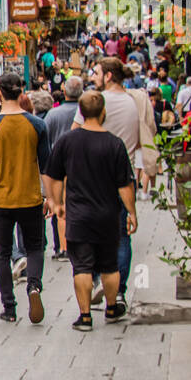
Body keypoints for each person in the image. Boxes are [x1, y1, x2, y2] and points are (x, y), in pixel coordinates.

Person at [44, 91, 138, 331]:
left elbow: (52, 175)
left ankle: (85, 316)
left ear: (82, 113)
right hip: (108, 213)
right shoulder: (114, 143)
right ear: (103, 111)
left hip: (79, 214)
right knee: (109, 265)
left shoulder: (67, 141)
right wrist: (131, 212)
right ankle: (111, 307)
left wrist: (55, 202)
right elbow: (125, 185)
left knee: (82, 266)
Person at [76, 57, 153, 314]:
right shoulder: (134, 102)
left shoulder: (95, 101)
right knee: (121, 238)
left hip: (92, 179)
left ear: (108, 76)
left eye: (97, 72)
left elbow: (75, 133)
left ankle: (98, 280)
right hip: (123, 176)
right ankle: (118, 293)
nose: (94, 75)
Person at [0, 73, 52, 324]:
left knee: (2, 253)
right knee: (34, 247)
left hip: (3, 199)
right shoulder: (37, 126)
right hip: (31, 197)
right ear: (22, 93)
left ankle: (9, 307)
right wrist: (50, 197)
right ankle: (33, 287)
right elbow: (45, 166)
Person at [44, 75, 82, 260]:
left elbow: (45, 140)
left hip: (58, 167)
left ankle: (62, 247)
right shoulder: (84, 112)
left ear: (64, 91)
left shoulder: (53, 114)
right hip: (81, 166)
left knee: (59, 208)